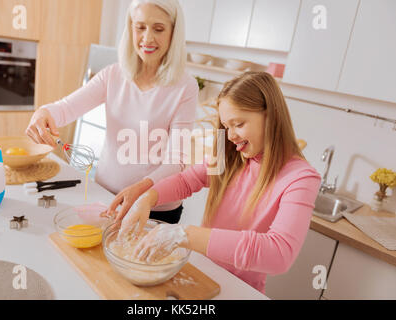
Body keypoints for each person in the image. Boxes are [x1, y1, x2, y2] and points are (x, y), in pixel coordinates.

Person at [115, 71, 322, 294]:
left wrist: (184, 234)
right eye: (226, 126)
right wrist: (147, 198)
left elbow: (279, 254)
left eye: (239, 124)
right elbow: (187, 180)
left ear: (271, 116)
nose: (231, 136)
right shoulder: (231, 155)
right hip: (202, 273)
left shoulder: (301, 178)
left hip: (241, 290)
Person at [25, 0, 198, 223]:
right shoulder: (113, 75)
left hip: (155, 206)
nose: (147, 38)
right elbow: (66, 108)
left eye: (158, 29)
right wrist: (42, 113)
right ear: (130, 27)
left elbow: (177, 161)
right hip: (107, 196)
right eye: (140, 27)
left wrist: (140, 189)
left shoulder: (185, 86)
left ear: (174, 32)